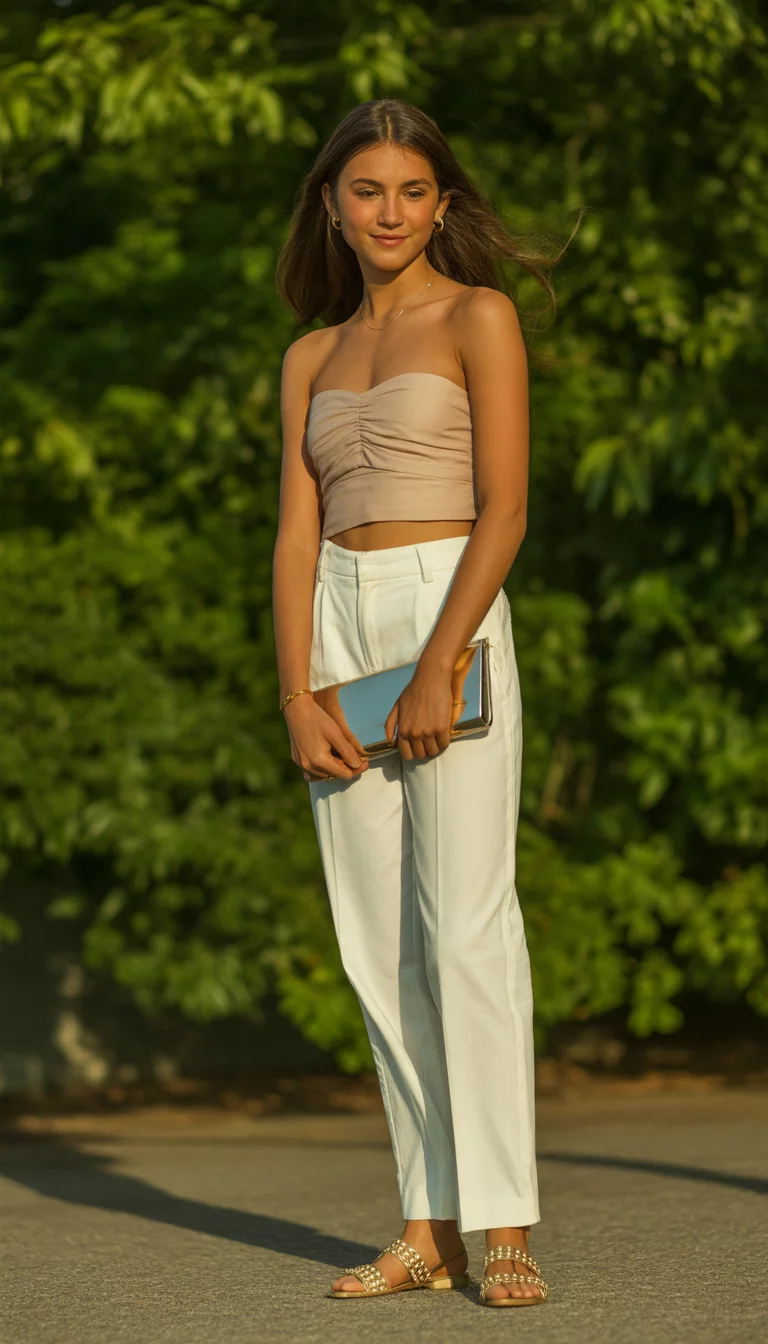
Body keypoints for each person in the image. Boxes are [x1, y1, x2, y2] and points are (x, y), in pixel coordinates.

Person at [273, 97, 565, 1307]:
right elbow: (295, 537)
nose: (388, 213)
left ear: (442, 202)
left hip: (450, 601)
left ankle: (503, 1225)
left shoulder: (478, 317)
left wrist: (446, 656)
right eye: (364, 193)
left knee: (468, 927)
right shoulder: (307, 355)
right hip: (340, 618)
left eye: (409, 191)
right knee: (374, 945)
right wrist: (297, 693)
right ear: (333, 210)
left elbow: (504, 506)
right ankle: (425, 1224)